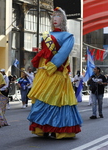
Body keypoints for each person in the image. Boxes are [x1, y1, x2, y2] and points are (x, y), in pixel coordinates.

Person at [27, 7, 83, 139]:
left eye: (58, 16)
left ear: (63, 19)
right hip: (43, 74)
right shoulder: (46, 35)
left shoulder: (68, 36)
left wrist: (51, 66)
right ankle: (42, 128)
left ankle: (58, 129)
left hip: (56, 73)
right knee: (42, 100)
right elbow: (43, 53)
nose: (54, 18)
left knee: (58, 101)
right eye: (53, 16)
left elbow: (63, 54)